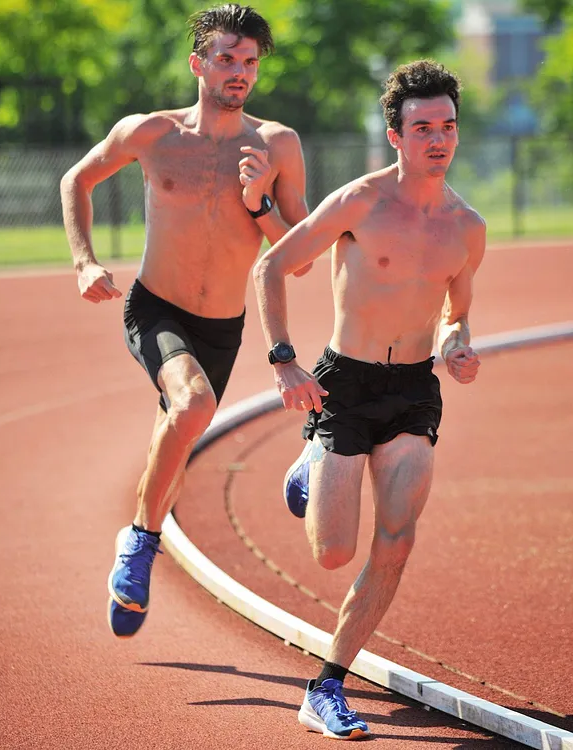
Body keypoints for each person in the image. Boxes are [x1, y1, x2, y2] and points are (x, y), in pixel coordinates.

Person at [60, 3, 310, 639]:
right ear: (198, 63)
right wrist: (85, 262)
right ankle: (142, 543)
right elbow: (77, 180)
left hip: (222, 328)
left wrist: (257, 204)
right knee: (194, 405)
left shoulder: (277, 145)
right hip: (156, 307)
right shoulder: (151, 133)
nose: (239, 72)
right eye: (226, 58)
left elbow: (298, 256)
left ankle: (136, 536)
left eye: (250, 62)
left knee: (172, 439)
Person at [253, 59, 485, 740]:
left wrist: (456, 344)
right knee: (332, 553)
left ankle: (326, 684)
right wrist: (284, 362)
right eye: (423, 129)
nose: (438, 140)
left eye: (448, 127)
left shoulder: (467, 228)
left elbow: (456, 311)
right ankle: (309, 464)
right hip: (343, 385)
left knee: (397, 540)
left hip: (413, 391)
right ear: (396, 135)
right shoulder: (358, 200)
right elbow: (273, 265)